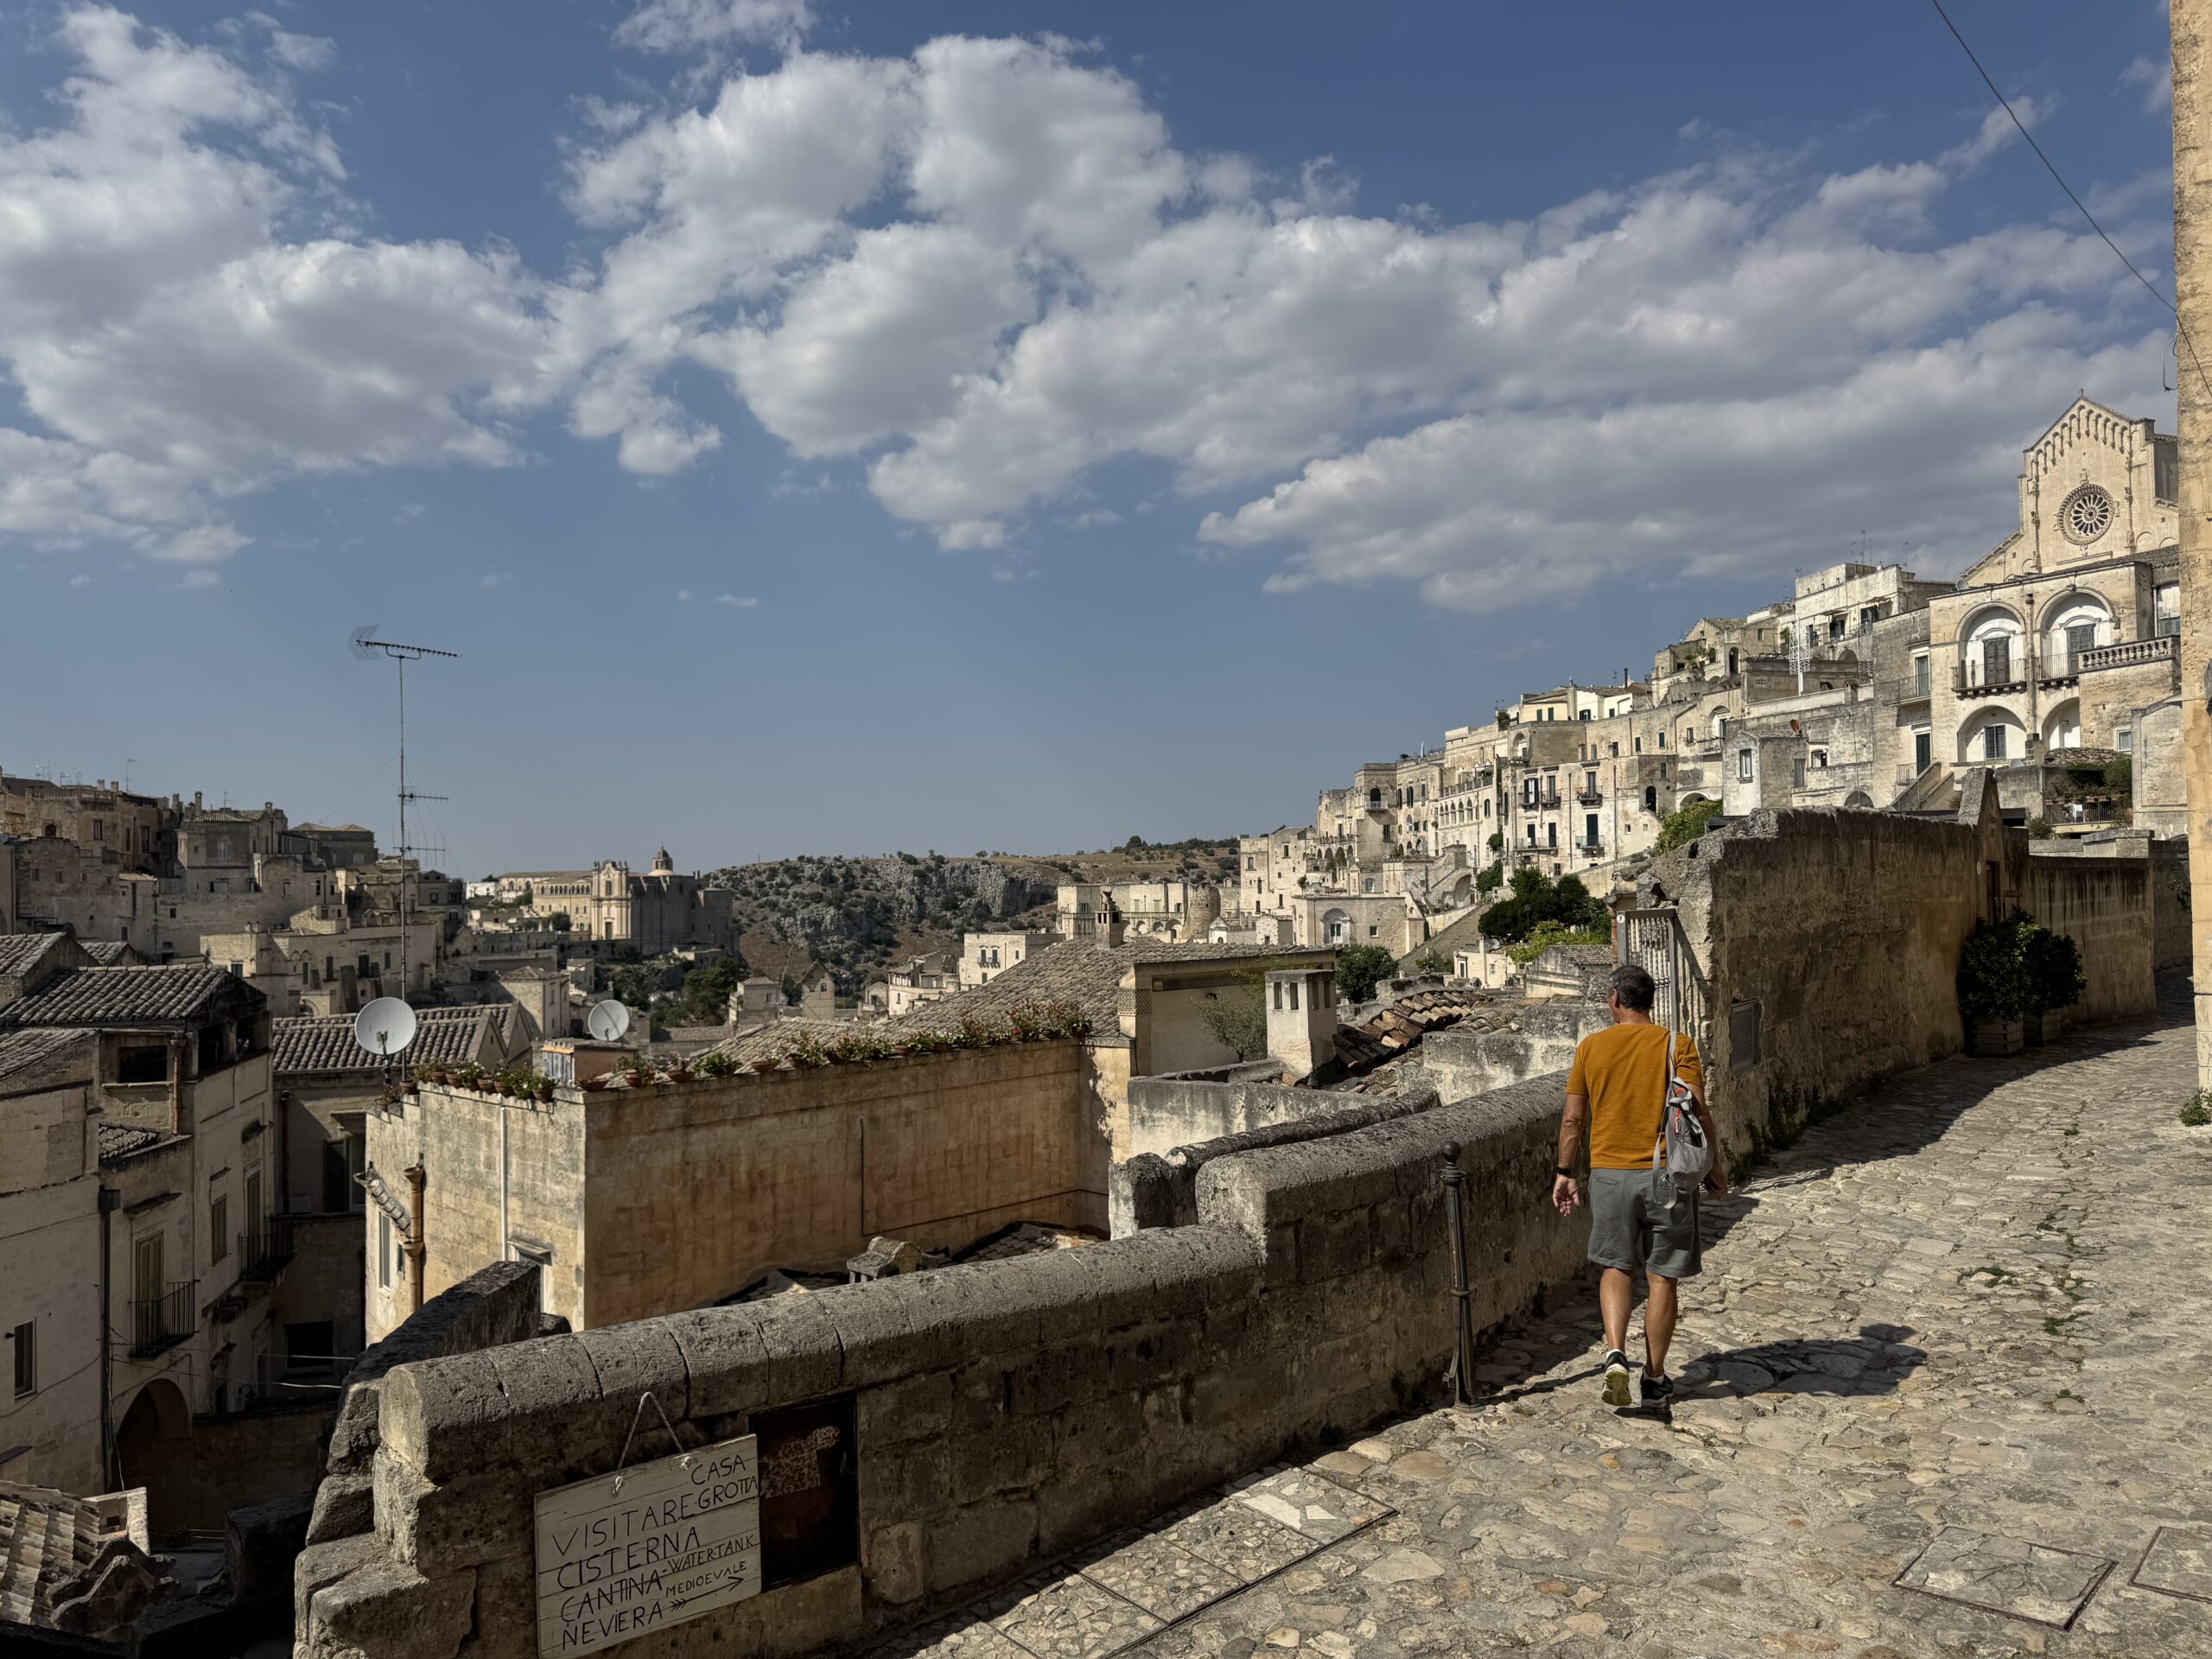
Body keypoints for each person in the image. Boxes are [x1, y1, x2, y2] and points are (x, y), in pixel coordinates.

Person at [1552, 963, 1728, 1409]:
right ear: (1649, 1001)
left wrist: (1565, 1172)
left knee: (1616, 1267)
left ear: (1614, 998)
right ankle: (1653, 1375)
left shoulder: (1591, 1048)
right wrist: (1714, 1165)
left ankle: (1615, 1355)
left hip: (1610, 1175)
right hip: (1667, 1172)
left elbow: (1574, 1118)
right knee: (1662, 1275)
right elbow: (1698, 1112)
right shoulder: (1677, 1044)